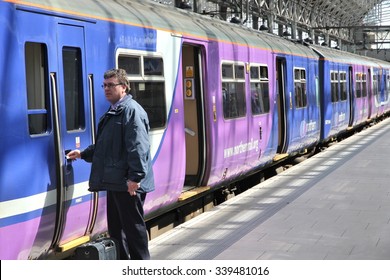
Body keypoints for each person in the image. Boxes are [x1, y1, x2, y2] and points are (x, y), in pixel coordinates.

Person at [67, 68, 155, 260]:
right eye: (104, 85)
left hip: (129, 183)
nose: (106, 89)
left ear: (123, 87)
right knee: (117, 230)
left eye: (111, 85)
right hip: (117, 182)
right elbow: (106, 146)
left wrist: (135, 178)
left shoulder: (131, 111)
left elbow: (138, 147)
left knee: (133, 231)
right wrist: (83, 154)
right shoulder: (115, 110)